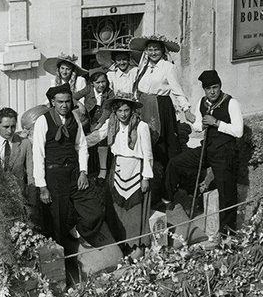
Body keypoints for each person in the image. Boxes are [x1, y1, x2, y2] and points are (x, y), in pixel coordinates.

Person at [165, 70, 243, 235]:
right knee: (175, 163)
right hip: (207, 149)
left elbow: (239, 131)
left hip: (224, 153)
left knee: (226, 195)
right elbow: (199, 126)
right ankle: (170, 201)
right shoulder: (202, 102)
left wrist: (217, 123)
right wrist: (194, 121)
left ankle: (227, 235)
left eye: (215, 87)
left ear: (220, 86)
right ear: (204, 90)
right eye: (208, 88)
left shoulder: (231, 102)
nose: (212, 91)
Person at [32, 83, 104, 247]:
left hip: (74, 172)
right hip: (54, 176)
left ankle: (81, 232)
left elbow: (81, 145)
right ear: (52, 102)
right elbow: (38, 155)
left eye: (67, 101)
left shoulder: (75, 118)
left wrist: (84, 172)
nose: (64, 105)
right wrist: (42, 186)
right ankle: (63, 258)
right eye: (60, 102)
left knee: (95, 210)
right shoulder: (43, 121)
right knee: (57, 219)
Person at [87, 93, 153, 259]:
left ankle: (137, 246)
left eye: (126, 110)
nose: (123, 114)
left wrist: (146, 177)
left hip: (136, 168)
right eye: (120, 111)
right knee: (117, 208)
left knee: (134, 210)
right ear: (114, 112)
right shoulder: (111, 124)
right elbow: (96, 137)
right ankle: (121, 244)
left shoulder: (141, 126)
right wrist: (77, 144)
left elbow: (148, 154)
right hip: (117, 168)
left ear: (131, 111)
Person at [129, 34, 195, 182]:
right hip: (143, 106)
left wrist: (186, 110)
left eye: (156, 49)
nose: (153, 53)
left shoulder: (168, 67)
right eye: (150, 49)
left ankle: (165, 178)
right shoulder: (143, 66)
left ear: (162, 51)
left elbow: (177, 90)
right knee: (143, 140)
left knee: (161, 144)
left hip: (160, 107)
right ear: (146, 51)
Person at [0, 107, 34, 189]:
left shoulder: (25, 143)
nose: (10, 131)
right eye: (6, 127)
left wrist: (32, 198)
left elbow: (31, 172)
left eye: (13, 127)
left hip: (18, 194)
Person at [84, 67, 114, 182]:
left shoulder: (109, 93)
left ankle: (103, 170)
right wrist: (81, 107)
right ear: (92, 84)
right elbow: (74, 96)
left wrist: (100, 123)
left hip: (103, 118)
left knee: (102, 140)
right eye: (98, 83)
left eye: (103, 82)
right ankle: (85, 170)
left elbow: (107, 110)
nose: (101, 85)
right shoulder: (88, 90)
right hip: (90, 117)